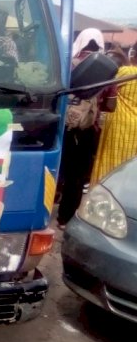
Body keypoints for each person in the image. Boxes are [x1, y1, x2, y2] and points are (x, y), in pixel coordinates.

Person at [55, 28, 108, 228]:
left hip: (62, 126)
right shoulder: (107, 70)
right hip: (86, 131)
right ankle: (64, 218)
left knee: (56, 168)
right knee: (76, 176)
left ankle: (48, 203)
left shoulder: (67, 65)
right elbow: (110, 105)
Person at [90, 47, 137, 184]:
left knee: (112, 161)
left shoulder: (125, 72)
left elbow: (105, 90)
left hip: (120, 123)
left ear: (133, 55)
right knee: (130, 164)